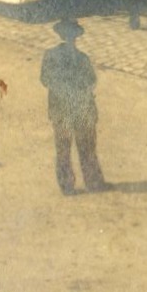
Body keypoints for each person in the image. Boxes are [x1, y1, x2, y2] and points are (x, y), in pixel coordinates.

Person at [40, 19, 108, 195]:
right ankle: (67, 184)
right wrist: (68, 90)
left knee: (86, 147)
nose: (70, 39)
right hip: (63, 109)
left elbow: (92, 81)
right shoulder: (52, 55)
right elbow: (46, 79)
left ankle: (92, 182)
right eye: (68, 35)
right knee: (64, 148)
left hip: (79, 109)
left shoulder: (81, 58)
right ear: (63, 36)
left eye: (73, 36)